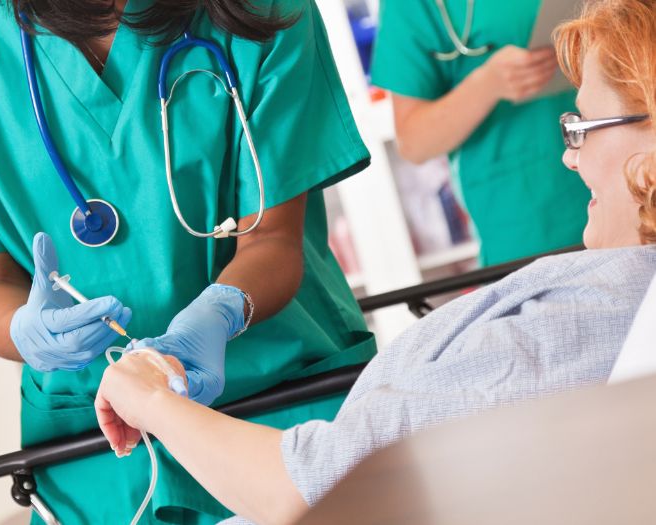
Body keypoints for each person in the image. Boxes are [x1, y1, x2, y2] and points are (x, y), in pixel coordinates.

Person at [94, 0, 656, 523]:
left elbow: (312, 485)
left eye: (579, 125)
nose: (567, 153)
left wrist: (149, 399)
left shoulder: (577, 323)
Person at [0, 0, 376, 522]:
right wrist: (23, 330)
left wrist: (220, 312)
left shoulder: (264, 8)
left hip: (279, 408)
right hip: (100, 448)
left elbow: (272, 239)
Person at [370, 0, 591, 266]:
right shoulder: (411, 6)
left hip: (627, 174)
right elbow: (413, 142)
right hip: (525, 214)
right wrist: (488, 84)